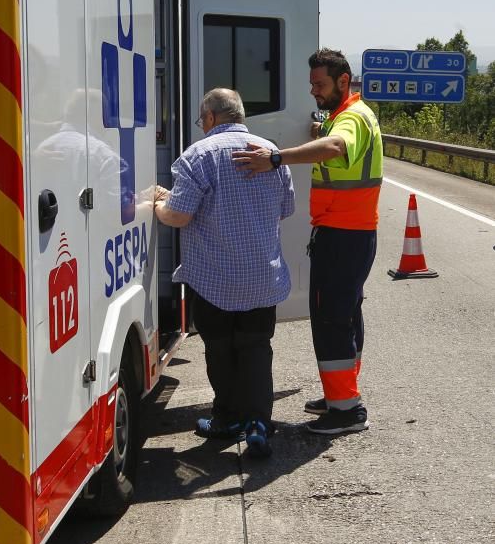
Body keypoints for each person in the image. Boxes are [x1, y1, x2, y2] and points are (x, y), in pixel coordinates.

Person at [232, 48, 383, 436]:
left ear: (343, 81)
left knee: (332, 319)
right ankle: (342, 396)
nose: (314, 92)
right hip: (352, 233)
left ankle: (347, 410)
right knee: (346, 315)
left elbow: (335, 147)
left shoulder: (350, 119)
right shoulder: (344, 116)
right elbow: (330, 138)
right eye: (312, 84)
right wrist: (319, 129)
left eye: (320, 84)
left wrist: (276, 158)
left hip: (343, 236)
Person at [154, 88, 294, 457]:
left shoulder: (197, 157)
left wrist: (158, 204)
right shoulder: (271, 154)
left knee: (220, 349)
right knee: (256, 349)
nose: (202, 126)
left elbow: (178, 215)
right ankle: (259, 424)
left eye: (202, 120)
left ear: (212, 117)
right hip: (263, 275)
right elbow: (284, 208)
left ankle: (228, 420)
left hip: (214, 279)